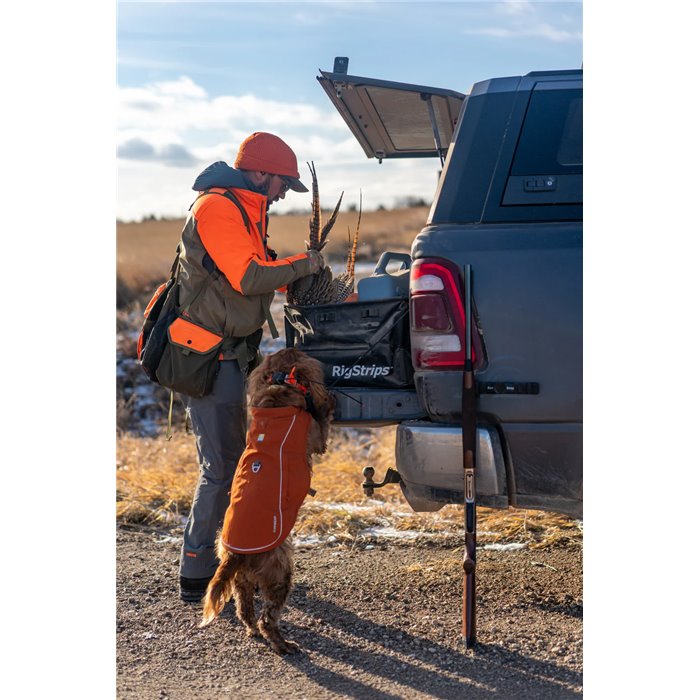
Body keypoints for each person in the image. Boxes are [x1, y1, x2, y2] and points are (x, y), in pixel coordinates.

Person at [175, 132, 323, 602]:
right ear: (260, 173)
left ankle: (240, 557)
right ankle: (196, 573)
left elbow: (252, 273)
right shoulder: (218, 208)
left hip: (232, 355)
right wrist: (306, 264)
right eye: (283, 184)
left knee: (241, 463)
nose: (283, 194)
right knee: (220, 469)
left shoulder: (243, 211)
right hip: (207, 358)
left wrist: (291, 270)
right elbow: (248, 277)